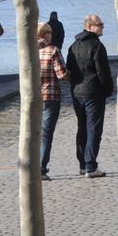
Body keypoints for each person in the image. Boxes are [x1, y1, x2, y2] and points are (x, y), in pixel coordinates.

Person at [66, 13, 113, 177]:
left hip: (77, 92)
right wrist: (108, 90)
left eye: (102, 24)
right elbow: (103, 72)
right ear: (89, 27)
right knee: (93, 129)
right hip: (93, 93)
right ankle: (90, 166)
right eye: (99, 24)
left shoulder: (73, 46)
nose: (102, 27)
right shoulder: (97, 46)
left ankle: (82, 163)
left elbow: (68, 69)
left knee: (82, 128)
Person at [36, 21, 68, 181]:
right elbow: (62, 74)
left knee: (34, 133)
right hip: (50, 95)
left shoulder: (28, 51)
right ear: (47, 34)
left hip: (34, 98)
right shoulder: (53, 50)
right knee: (46, 134)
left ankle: (31, 165)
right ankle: (41, 168)